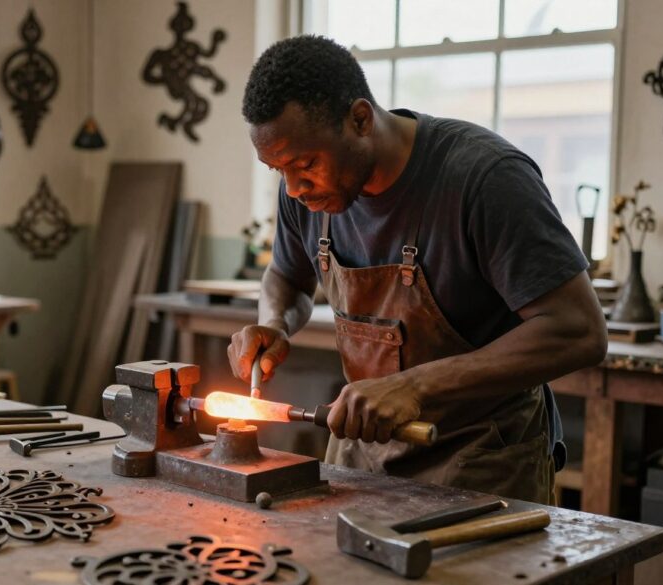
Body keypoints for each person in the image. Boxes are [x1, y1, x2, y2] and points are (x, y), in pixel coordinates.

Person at [226, 35, 608, 504]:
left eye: (305, 164)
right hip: (361, 458)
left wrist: (415, 386)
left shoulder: (485, 178)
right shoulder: (302, 193)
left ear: (360, 119)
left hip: (484, 460)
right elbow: (287, 276)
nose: (294, 187)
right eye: (276, 170)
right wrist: (274, 323)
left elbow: (579, 330)